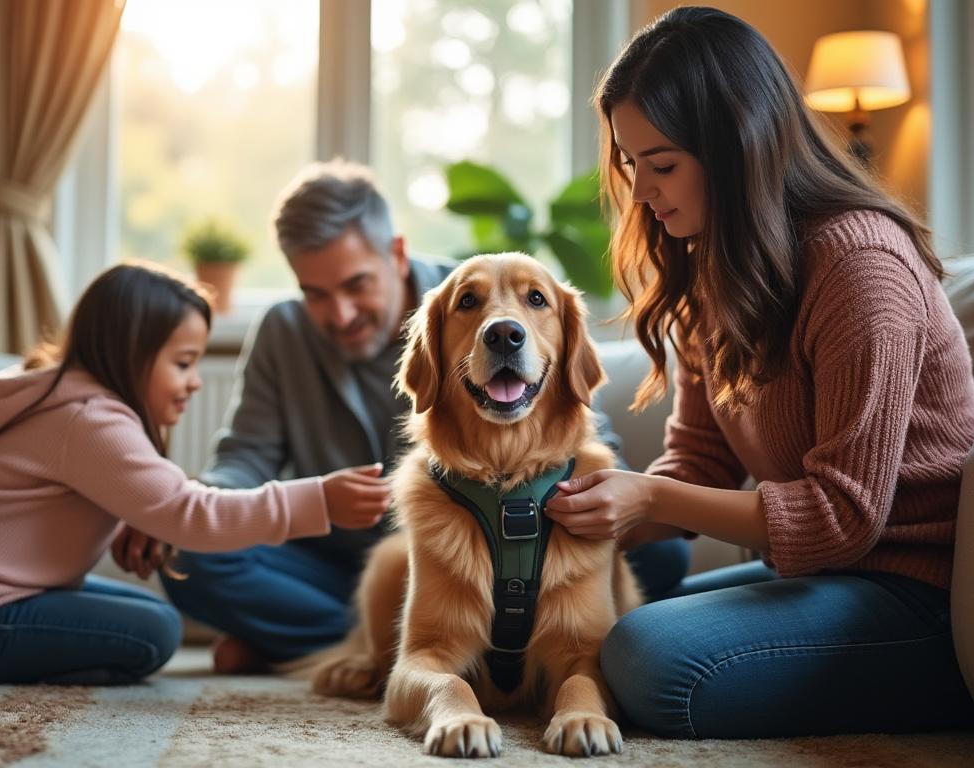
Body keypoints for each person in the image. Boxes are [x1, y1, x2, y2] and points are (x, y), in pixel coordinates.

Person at [540, 7, 974, 739]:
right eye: (631, 165)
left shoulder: (860, 265)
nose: (639, 192)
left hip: (929, 591)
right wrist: (571, 519)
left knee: (648, 657)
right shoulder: (712, 270)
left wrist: (647, 498)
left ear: (736, 148)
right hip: (823, 580)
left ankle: (941, 691)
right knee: (622, 610)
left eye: (661, 165)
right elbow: (700, 462)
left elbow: (843, 519)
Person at [160, 161, 691, 673]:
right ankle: (407, 645)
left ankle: (303, 645)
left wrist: (606, 504)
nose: (339, 314)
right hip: (331, 565)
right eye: (314, 294)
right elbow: (244, 459)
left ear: (395, 253)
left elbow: (583, 431)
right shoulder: (282, 331)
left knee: (660, 553)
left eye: (355, 285)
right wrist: (185, 505)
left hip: (498, 555)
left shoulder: (471, 301)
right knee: (187, 557)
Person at [0, 261, 389, 685]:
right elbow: (189, 512)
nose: (195, 381)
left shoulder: (71, 405)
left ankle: (284, 650)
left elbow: (86, 493)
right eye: (184, 363)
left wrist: (128, 513)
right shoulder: (89, 419)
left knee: (148, 609)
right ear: (131, 354)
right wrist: (318, 501)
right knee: (154, 634)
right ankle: (361, 651)